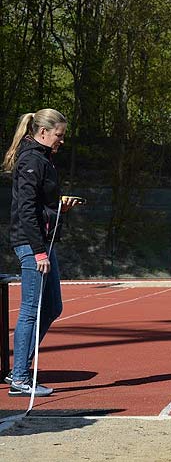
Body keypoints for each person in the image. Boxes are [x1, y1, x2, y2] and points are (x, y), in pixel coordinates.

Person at [2, 109, 80, 397]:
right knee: (30, 310)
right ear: (43, 132)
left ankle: (20, 367)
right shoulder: (31, 159)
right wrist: (38, 253)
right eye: (59, 135)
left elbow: (40, 205)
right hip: (32, 245)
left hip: (43, 243)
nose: (61, 140)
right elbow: (25, 210)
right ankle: (20, 377)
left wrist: (61, 208)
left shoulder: (44, 159)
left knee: (52, 307)